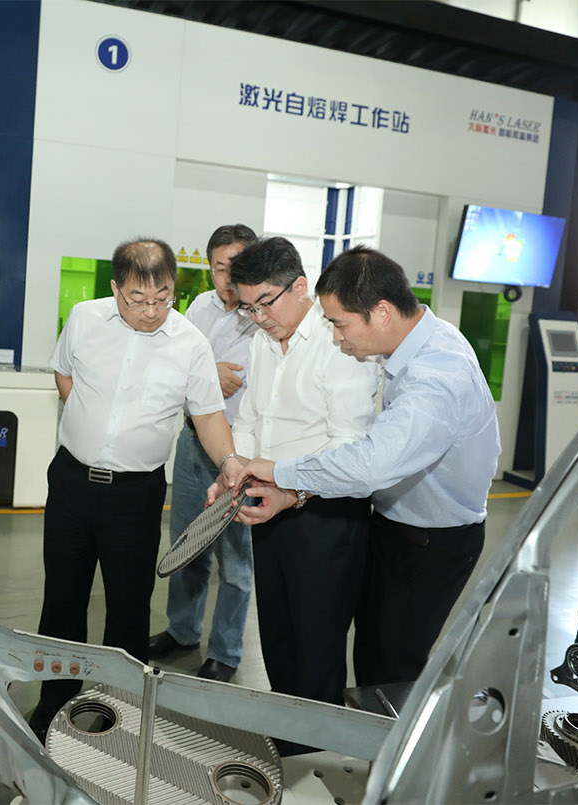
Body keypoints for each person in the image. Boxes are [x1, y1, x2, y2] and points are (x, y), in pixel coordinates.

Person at [209, 247, 501, 691]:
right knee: (367, 653)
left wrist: (279, 474)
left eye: (340, 324)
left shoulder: (437, 377)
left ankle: (382, 738)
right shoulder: (419, 342)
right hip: (393, 524)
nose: (336, 336)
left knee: (388, 668)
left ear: (381, 312)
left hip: (431, 541)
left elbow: (368, 465)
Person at [29, 239, 241, 735]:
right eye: (137, 299)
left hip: (135, 495)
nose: (150, 311)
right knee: (61, 601)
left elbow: (208, 416)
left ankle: (118, 715)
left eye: (162, 298)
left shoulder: (190, 343)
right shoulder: (84, 318)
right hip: (71, 484)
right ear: (115, 288)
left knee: (127, 609)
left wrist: (229, 462)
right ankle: (53, 705)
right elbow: (64, 376)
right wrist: (94, 426)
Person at [225, 236, 382, 704]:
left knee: (316, 646)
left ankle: (315, 739)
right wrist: (236, 470)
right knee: (277, 636)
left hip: (324, 517)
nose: (258, 317)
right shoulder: (261, 342)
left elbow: (348, 445)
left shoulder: (341, 343)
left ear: (299, 287)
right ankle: (285, 731)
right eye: (248, 308)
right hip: (268, 508)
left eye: (265, 303)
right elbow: (250, 419)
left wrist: (291, 490)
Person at [148, 225, 263, 683]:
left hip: (241, 452)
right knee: (187, 545)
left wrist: (204, 374)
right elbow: (180, 367)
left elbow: (244, 384)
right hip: (194, 444)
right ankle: (182, 631)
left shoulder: (263, 317)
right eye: (219, 268)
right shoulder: (199, 307)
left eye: (237, 267)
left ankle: (226, 653)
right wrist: (209, 370)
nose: (227, 277)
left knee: (235, 564)